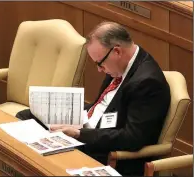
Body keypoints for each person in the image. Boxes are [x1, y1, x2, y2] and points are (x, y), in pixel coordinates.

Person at [16, 21, 171, 175]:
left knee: (42, 157)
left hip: (102, 148)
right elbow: (101, 104)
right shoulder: (120, 65)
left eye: (100, 63)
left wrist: (80, 134)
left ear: (117, 51)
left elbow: (132, 138)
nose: (99, 70)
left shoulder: (147, 82)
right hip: (88, 123)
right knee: (26, 116)